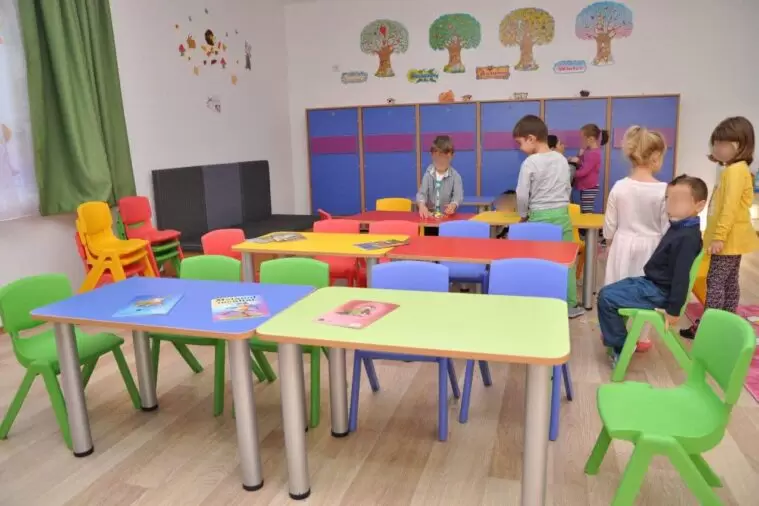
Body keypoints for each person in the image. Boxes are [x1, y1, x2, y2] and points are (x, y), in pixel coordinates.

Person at [598, 175, 707, 365]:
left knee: (606, 297)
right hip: (652, 284)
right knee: (610, 291)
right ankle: (617, 337)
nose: (670, 205)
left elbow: (682, 276)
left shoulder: (687, 237)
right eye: (668, 199)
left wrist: (674, 309)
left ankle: (621, 346)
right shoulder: (680, 227)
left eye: (678, 200)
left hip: (659, 291)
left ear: (699, 205)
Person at [681, 117, 759, 339]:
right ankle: (726, 321)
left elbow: (729, 208)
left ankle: (710, 329)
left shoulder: (734, 171)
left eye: (722, 144)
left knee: (715, 282)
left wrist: (719, 237)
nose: (717, 148)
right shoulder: (736, 169)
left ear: (740, 145)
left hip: (727, 240)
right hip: (733, 238)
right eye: (715, 144)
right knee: (729, 281)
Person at [603, 126, 669, 352]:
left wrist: (609, 242)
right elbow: (667, 226)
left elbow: (609, 224)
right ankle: (642, 337)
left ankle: (615, 333)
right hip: (652, 248)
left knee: (617, 288)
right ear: (656, 157)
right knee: (645, 294)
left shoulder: (619, 187)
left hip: (622, 244)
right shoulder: (663, 190)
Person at [512, 114, 584, 318]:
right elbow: (567, 187)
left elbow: (522, 194)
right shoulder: (561, 159)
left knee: (539, 262)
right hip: (562, 215)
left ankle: (540, 301)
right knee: (567, 262)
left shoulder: (530, 163)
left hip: (539, 218)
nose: (520, 148)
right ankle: (569, 305)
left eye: (520, 143)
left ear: (531, 138)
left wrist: (523, 215)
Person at [416, 135, 463, 236]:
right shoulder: (428, 174)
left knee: (447, 243)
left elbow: (458, 196)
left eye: (445, 158)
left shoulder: (456, 176)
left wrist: (453, 205)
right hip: (430, 220)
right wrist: (421, 205)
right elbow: (421, 194)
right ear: (432, 155)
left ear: (452, 156)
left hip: (447, 220)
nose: (441, 162)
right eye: (438, 158)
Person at [570, 124, 609, 213]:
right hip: (586, 186)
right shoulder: (589, 151)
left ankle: (589, 223)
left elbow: (584, 171)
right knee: (585, 209)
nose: (581, 141)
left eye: (582, 138)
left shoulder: (594, 154)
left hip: (589, 187)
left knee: (587, 211)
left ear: (591, 139)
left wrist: (570, 174)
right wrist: (579, 157)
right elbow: (583, 164)